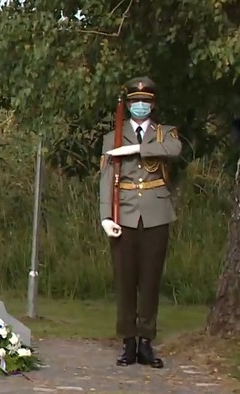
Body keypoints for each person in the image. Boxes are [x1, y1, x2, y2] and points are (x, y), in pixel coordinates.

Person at [99, 76, 182, 369]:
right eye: (135, 102)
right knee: (125, 280)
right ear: (129, 104)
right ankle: (128, 342)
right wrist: (106, 215)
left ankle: (146, 341)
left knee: (150, 280)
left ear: (153, 105)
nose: (140, 107)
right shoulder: (114, 137)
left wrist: (136, 149)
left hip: (156, 214)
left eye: (145, 102)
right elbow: (107, 178)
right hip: (125, 213)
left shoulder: (165, 134)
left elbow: (174, 151)